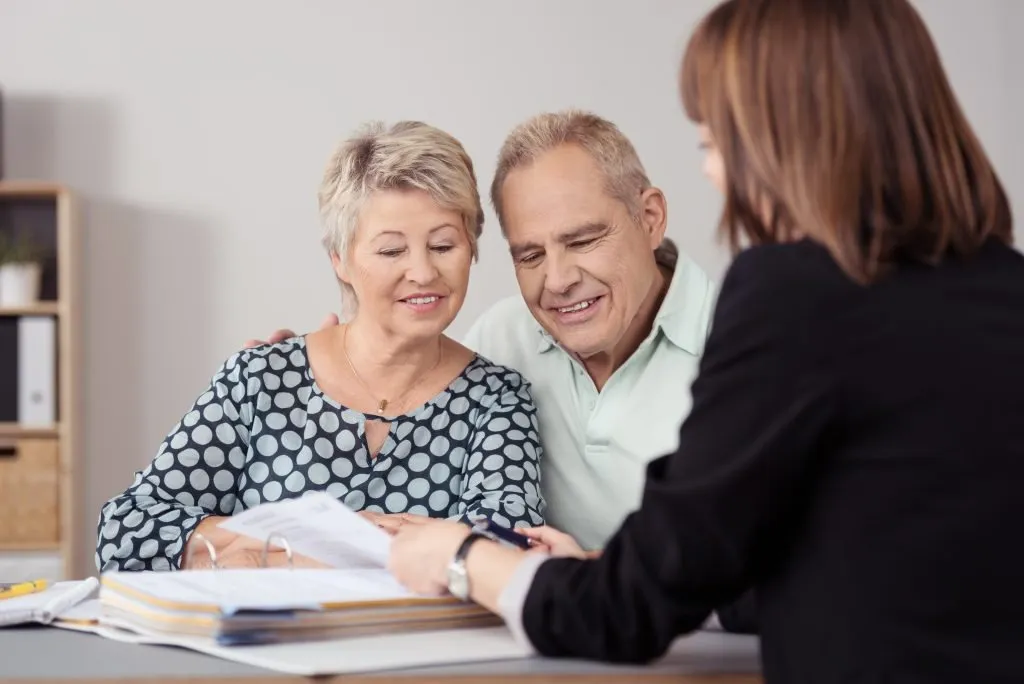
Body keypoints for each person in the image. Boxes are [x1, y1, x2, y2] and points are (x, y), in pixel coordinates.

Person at [386, 0, 1024, 682]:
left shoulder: (793, 295)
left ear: (786, 136)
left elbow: (625, 614)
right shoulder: (1007, 289)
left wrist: (465, 558)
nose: (715, 173)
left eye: (716, 143)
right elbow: (850, 561)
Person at [95, 120, 545, 572]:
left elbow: (505, 555)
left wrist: (259, 555)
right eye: (392, 251)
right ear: (340, 260)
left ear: (472, 249)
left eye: (443, 245)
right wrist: (304, 538)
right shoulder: (260, 378)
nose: (423, 273)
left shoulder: (498, 398)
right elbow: (126, 531)